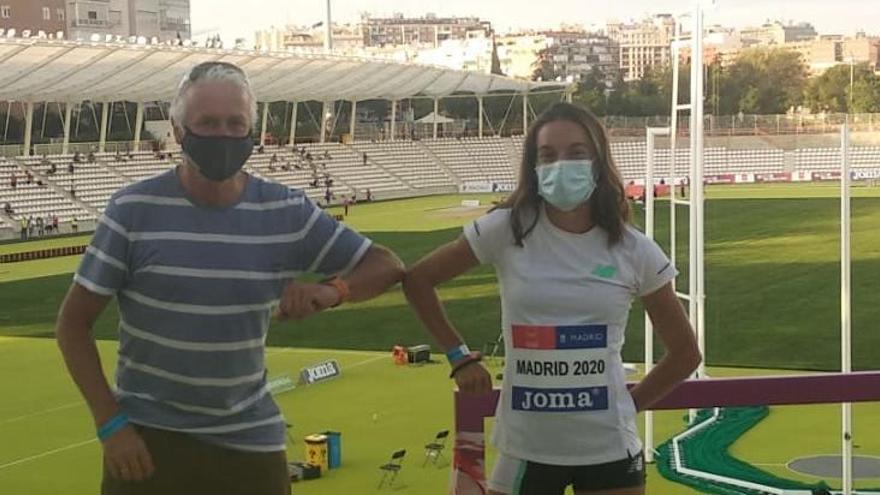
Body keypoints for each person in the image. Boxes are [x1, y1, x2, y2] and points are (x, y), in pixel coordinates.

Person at [55, 61, 404, 495]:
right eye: (207, 123)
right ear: (179, 131)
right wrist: (110, 424)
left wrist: (331, 291)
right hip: (148, 441)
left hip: (250, 443)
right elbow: (72, 324)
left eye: (234, 123)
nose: (222, 135)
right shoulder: (133, 211)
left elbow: (386, 264)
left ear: (252, 132)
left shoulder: (285, 212)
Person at [403, 103, 701, 495]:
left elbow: (685, 354)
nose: (562, 165)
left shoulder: (634, 250)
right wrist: (458, 357)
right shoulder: (506, 230)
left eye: (576, 153)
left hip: (609, 447)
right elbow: (417, 280)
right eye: (548, 155)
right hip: (525, 447)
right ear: (534, 166)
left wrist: (629, 405)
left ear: (598, 161)